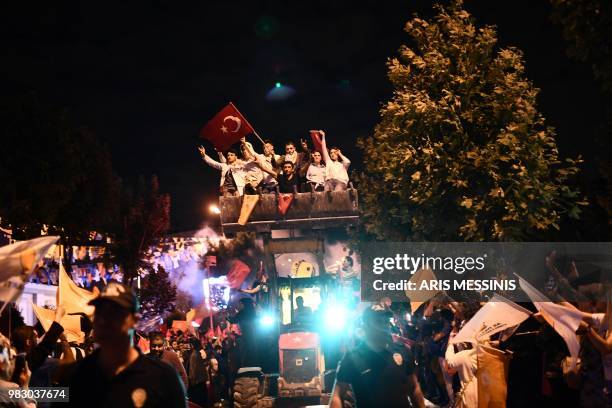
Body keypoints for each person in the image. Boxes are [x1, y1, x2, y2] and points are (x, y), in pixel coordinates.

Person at [56, 282, 187, 408]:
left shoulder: (163, 377)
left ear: (134, 321)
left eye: (114, 314)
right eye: (100, 312)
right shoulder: (76, 375)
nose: (104, 320)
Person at [330, 306, 425, 408]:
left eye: (386, 321)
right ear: (366, 327)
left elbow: (414, 388)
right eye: (379, 322)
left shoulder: (402, 351)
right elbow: (337, 395)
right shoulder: (353, 357)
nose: (385, 327)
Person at [0, 333, 35, 408]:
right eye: (11, 358)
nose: (13, 363)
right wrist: (25, 386)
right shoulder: (10, 389)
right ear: (2, 363)